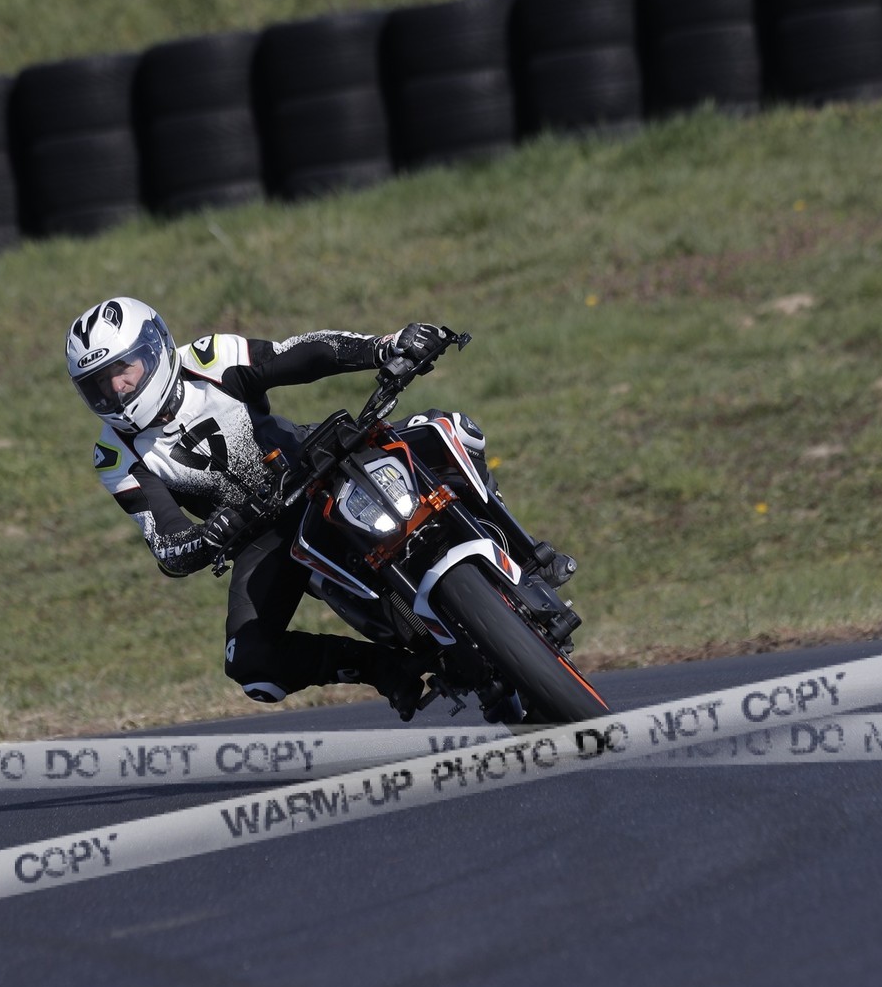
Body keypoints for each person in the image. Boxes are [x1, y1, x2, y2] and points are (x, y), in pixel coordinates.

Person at [64, 296, 574, 719]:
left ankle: (526, 555)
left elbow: (301, 354)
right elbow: (167, 543)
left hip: (319, 463)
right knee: (250, 663)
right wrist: (213, 532)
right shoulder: (115, 454)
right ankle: (385, 668)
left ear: (154, 348)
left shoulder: (209, 358)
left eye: (123, 370)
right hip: (261, 534)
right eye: (99, 385)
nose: (117, 390)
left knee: (449, 429)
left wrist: (384, 347)